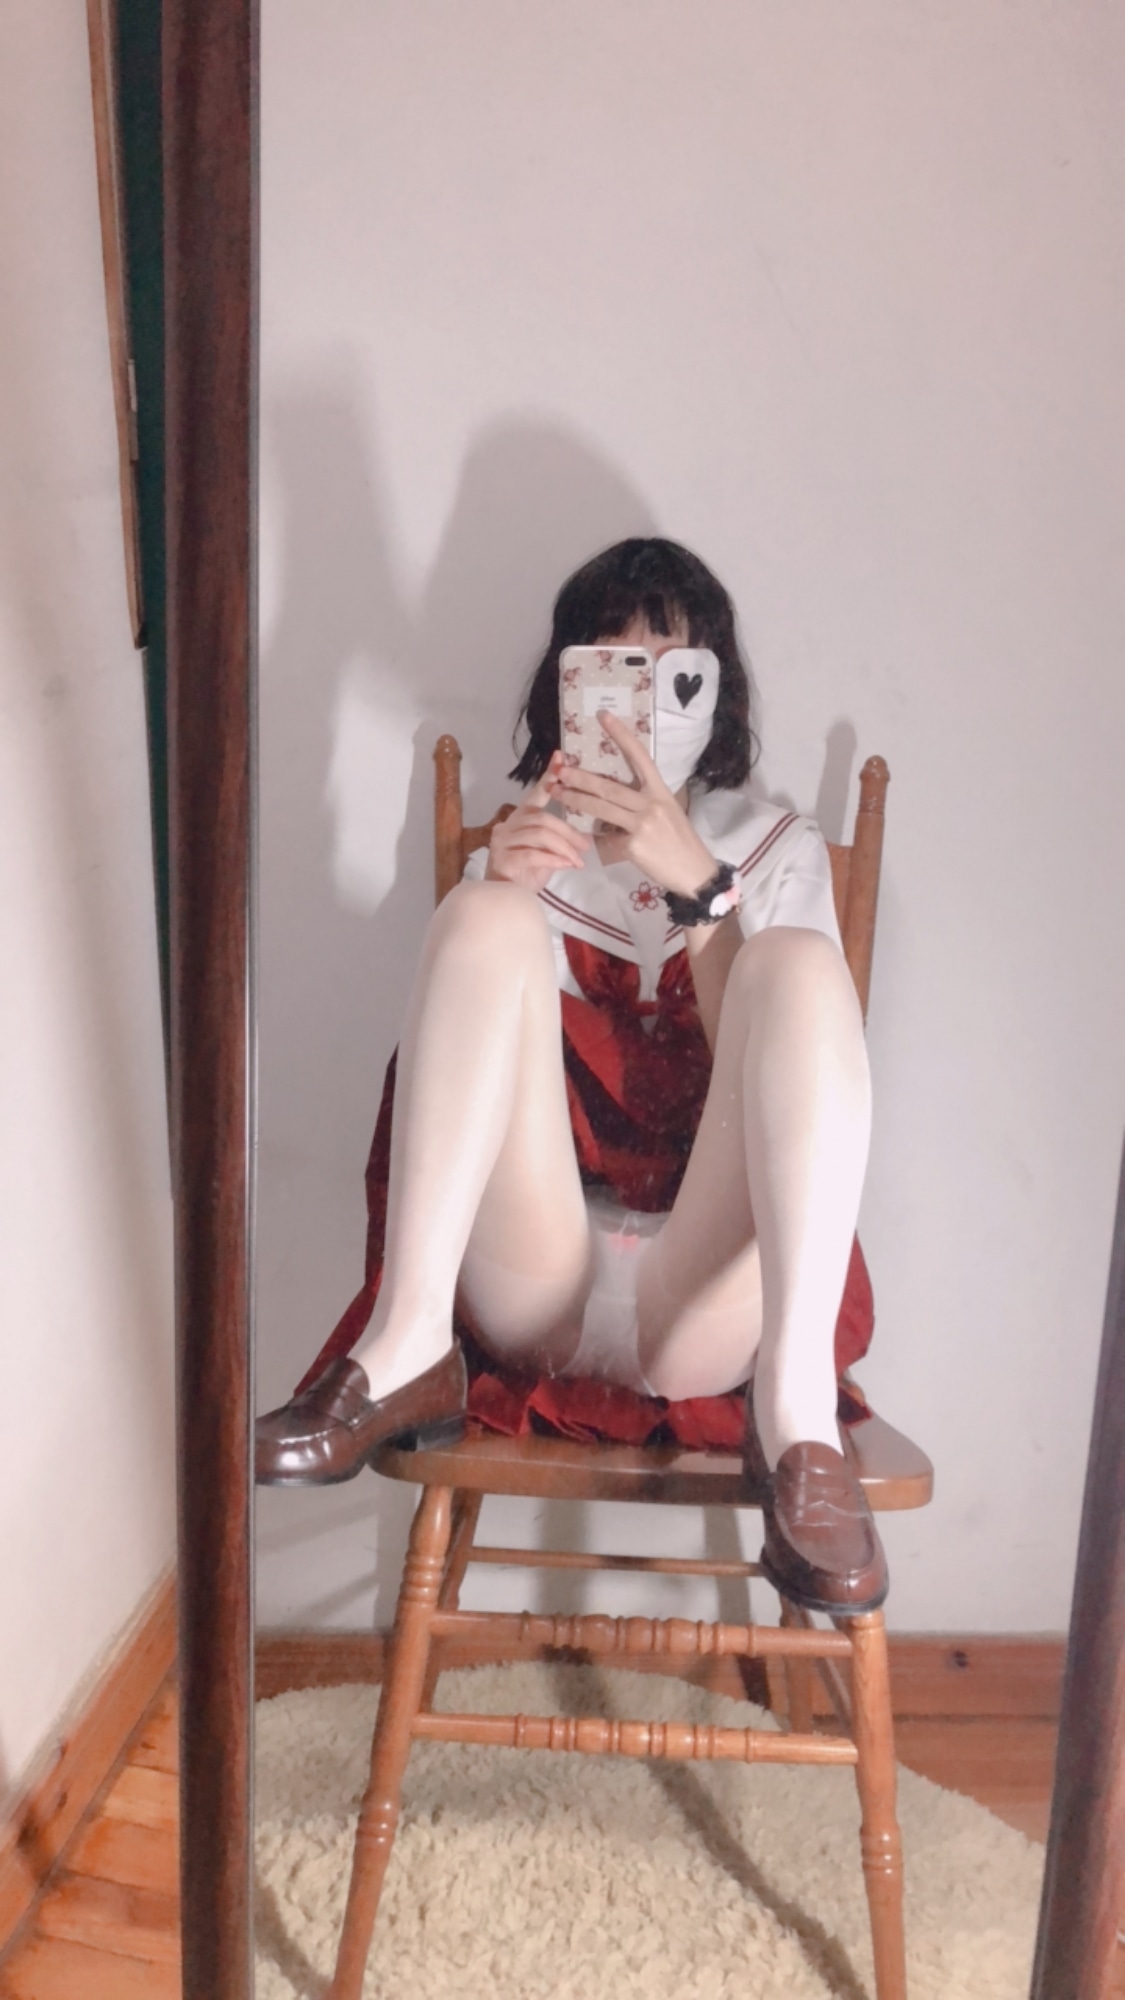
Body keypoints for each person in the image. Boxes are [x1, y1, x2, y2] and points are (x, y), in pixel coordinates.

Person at [256, 538, 887, 1614]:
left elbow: (779, 1078)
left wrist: (702, 891)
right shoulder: (527, 841)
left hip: (704, 1294)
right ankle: (406, 1343)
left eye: (674, 670)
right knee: (481, 915)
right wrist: (502, 891)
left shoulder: (777, 848)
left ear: (716, 690)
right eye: (615, 667)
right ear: (568, 687)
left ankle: (794, 1421)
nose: (645, 702)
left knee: (796, 963)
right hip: (537, 1273)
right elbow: (478, 1091)